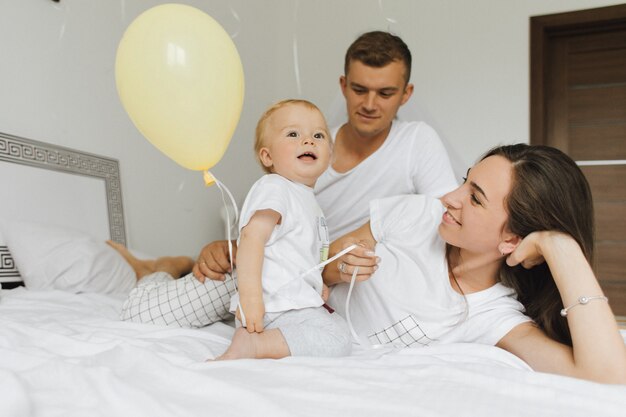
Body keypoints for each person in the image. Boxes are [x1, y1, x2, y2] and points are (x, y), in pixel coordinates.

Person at [323, 143, 625, 384]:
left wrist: (561, 246)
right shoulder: (413, 213)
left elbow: (606, 376)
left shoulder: (494, 317)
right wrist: (341, 266)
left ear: (513, 240)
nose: (449, 197)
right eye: (464, 182)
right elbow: (324, 267)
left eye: (475, 198)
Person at [194, 31, 458, 282]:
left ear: (406, 94)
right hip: (288, 271)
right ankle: (176, 265)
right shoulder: (309, 148)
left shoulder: (416, 141)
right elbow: (270, 222)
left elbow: (445, 223)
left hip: (338, 280)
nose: (369, 104)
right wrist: (228, 247)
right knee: (202, 275)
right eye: (359, 89)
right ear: (343, 86)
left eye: (385, 93)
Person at [120, 99, 351, 360]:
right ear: (267, 156)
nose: (308, 141)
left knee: (338, 332)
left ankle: (260, 343)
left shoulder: (307, 201)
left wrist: (315, 285)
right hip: (275, 306)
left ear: (329, 155)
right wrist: (251, 298)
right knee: (337, 340)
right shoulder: (276, 187)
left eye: (318, 135)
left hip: (291, 304)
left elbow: (299, 255)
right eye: (293, 134)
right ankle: (255, 345)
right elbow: (252, 239)